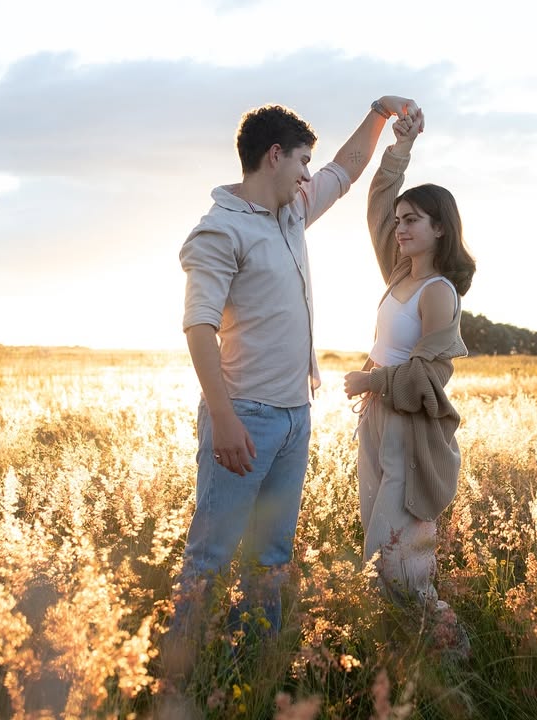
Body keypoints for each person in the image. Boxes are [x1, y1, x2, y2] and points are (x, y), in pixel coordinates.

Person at [172, 97, 420, 648]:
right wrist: (224, 418)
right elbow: (198, 327)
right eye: (303, 161)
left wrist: (380, 114)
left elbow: (348, 167)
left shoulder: (291, 212)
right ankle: (181, 674)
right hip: (244, 417)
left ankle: (253, 668)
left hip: (293, 419)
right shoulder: (218, 231)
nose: (310, 173)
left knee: (271, 557)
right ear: (275, 156)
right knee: (210, 558)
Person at [342, 109, 476, 655]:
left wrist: (370, 382)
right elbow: (377, 200)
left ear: (439, 227)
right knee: (377, 545)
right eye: (399, 221)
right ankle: (404, 653)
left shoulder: (439, 291)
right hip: (374, 419)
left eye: (412, 220)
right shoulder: (399, 272)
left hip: (407, 427)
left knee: (399, 552)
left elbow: (429, 377)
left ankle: (453, 654)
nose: (399, 228)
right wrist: (400, 145)